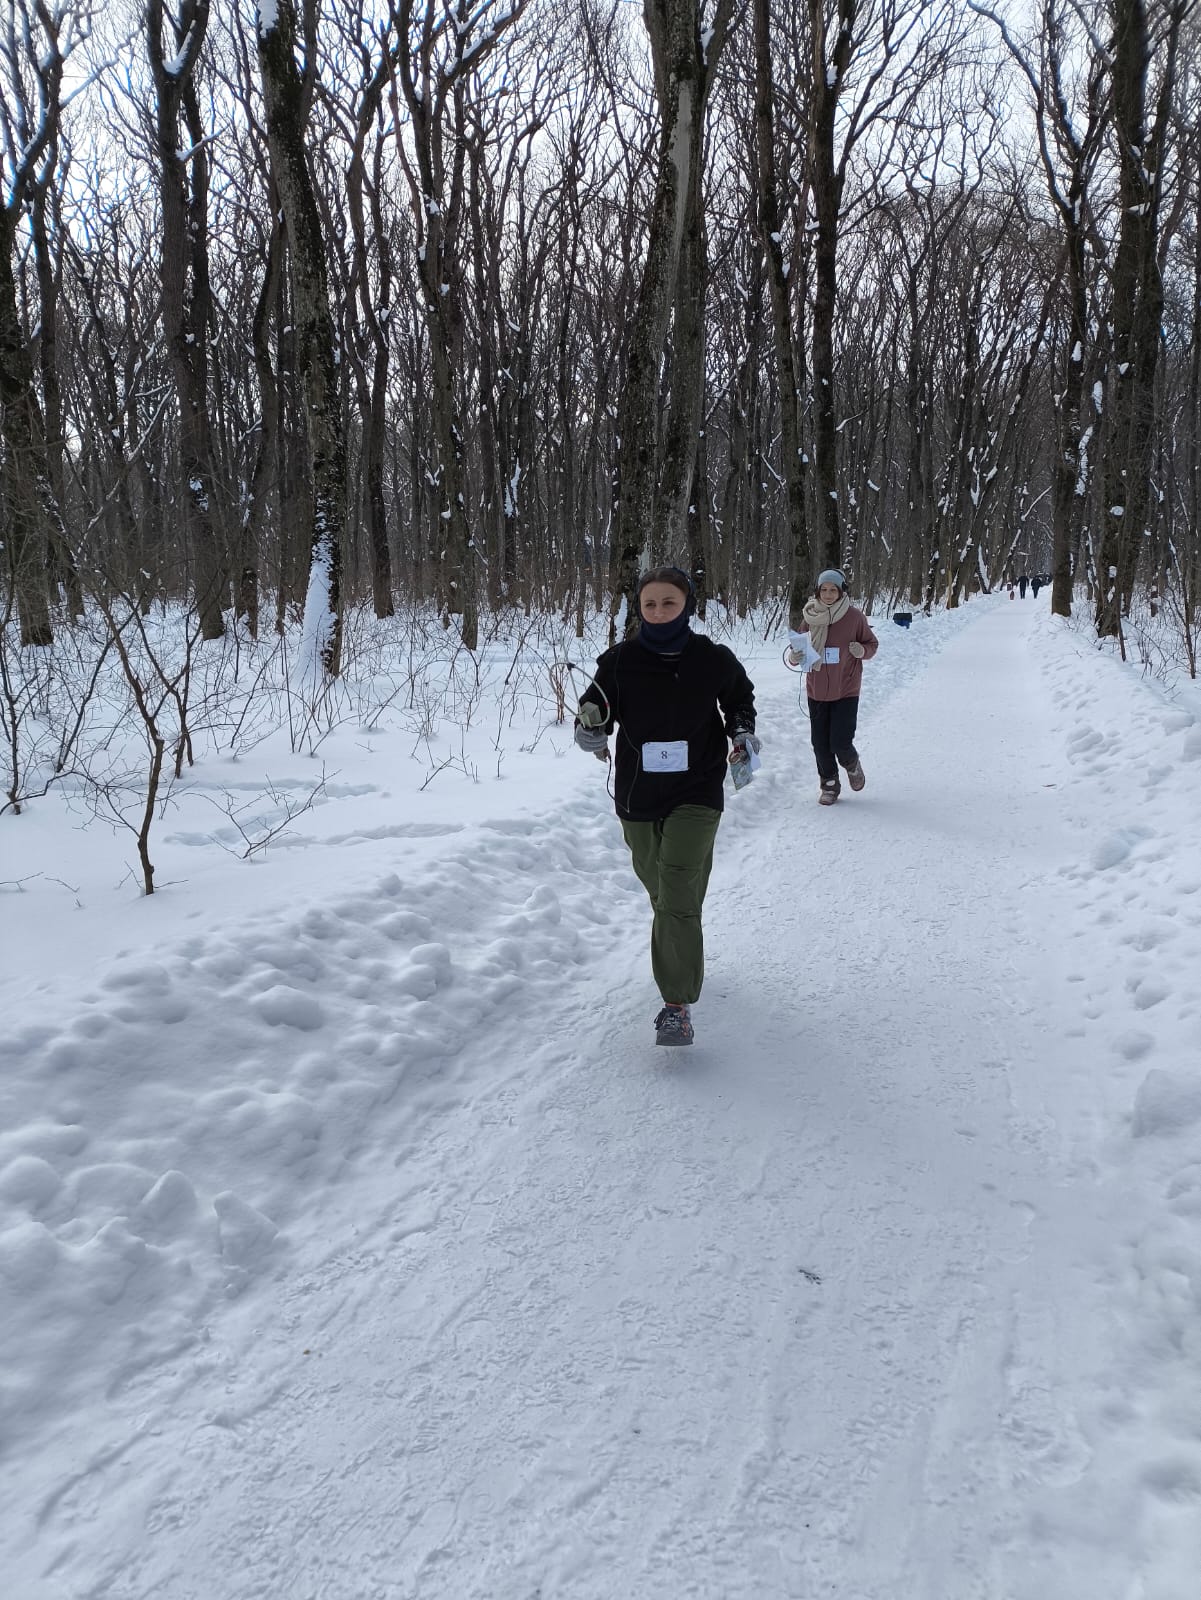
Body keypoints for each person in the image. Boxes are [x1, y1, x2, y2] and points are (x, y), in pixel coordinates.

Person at [574, 566, 757, 1047]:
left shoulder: (712, 659)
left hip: (698, 788)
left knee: (675, 885)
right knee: (664, 889)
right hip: (637, 794)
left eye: (668, 602)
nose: (658, 611)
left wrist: (742, 733)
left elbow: (740, 699)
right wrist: (588, 728)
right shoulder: (618, 661)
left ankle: (676, 1005)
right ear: (639, 607)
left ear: (687, 606)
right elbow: (596, 709)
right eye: (649, 603)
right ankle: (682, 936)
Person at [788, 568, 878, 806]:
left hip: (846, 688)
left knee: (839, 741)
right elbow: (798, 648)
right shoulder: (810, 616)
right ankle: (829, 784)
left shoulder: (854, 617)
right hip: (816, 690)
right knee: (820, 743)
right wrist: (794, 658)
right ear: (818, 592)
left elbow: (871, 643)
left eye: (833, 590)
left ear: (841, 591)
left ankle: (851, 763)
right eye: (824, 590)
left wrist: (862, 650)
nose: (828, 594)